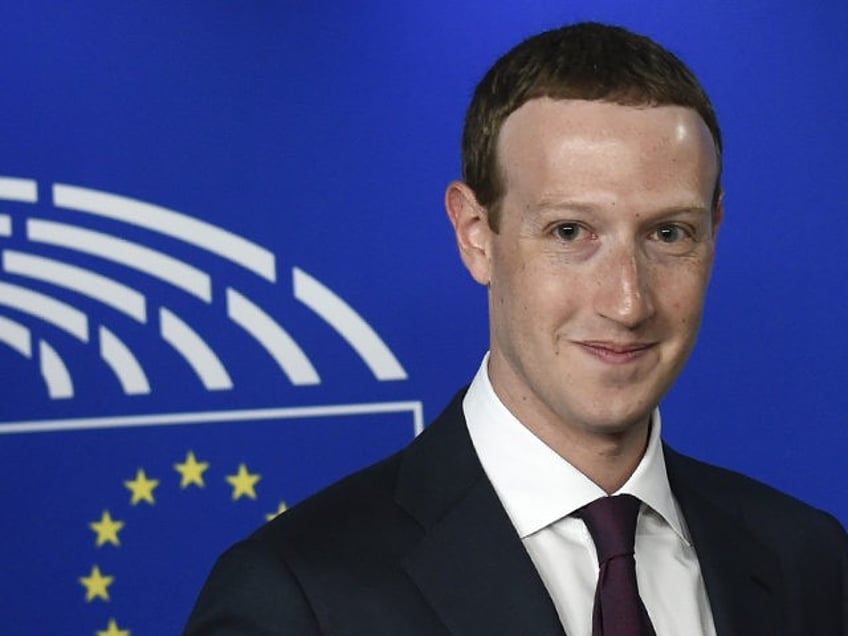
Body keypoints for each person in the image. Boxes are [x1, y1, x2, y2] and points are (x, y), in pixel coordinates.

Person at [185, 22, 846, 635]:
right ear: (476, 235)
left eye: (669, 233)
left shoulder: (807, 561)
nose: (627, 300)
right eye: (569, 231)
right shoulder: (295, 596)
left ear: (714, 234)